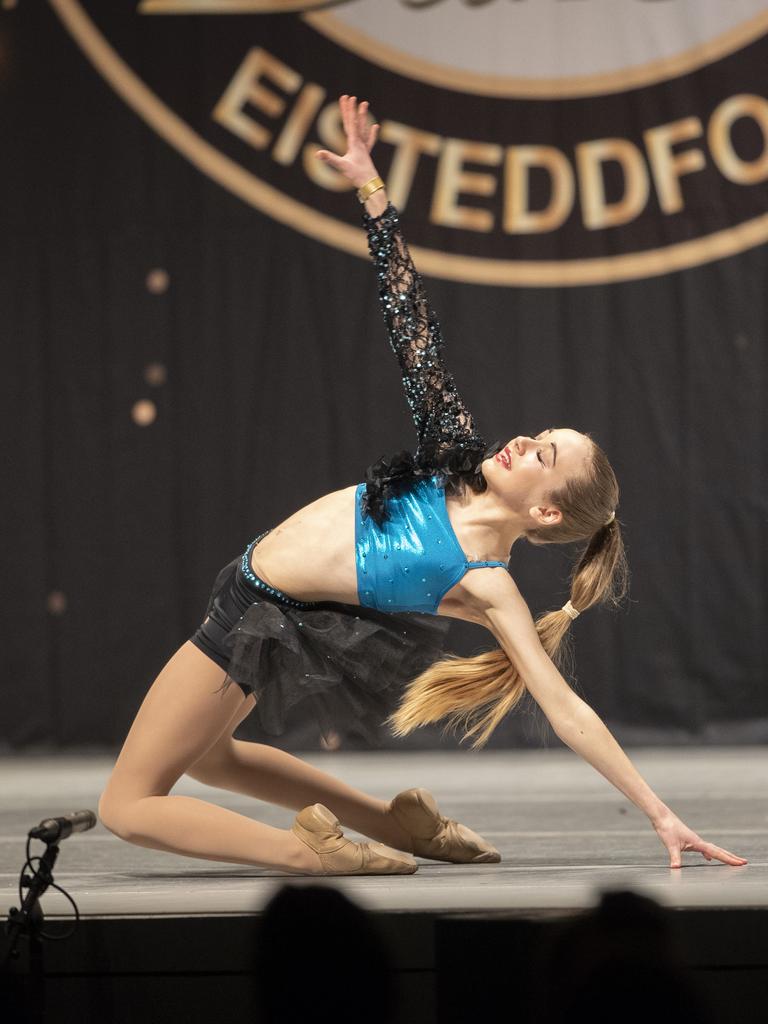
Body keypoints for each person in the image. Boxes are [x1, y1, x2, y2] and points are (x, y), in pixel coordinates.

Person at [97, 96, 747, 877]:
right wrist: (372, 191)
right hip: (272, 611)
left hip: (250, 614)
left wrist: (660, 814)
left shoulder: (487, 584)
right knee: (214, 760)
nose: (522, 441)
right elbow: (411, 319)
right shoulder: (454, 454)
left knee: (127, 807)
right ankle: (401, 826)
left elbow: (566, 709)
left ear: (543, 511)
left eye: (543, 452)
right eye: (537, 433)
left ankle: (316, 855)